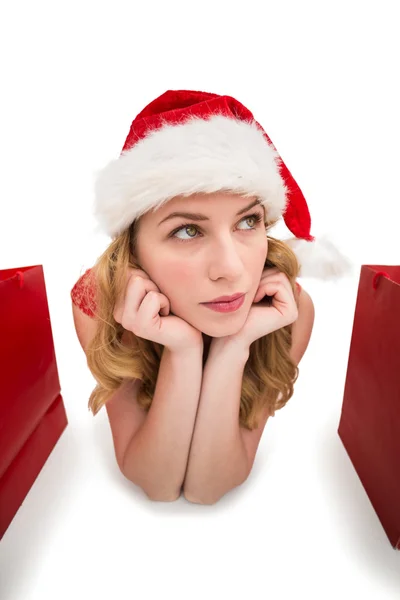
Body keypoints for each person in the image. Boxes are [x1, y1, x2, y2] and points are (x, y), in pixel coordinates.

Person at [71, 89, 350, 505]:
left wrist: (233, 347)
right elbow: (157, 484)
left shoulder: (287, 310)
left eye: (248, 221)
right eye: (188, 230)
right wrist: (182, 350)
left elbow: (208, 488)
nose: (233, 269)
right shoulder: (100, 302)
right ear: (134, 248)